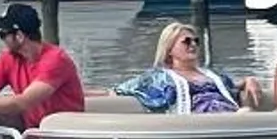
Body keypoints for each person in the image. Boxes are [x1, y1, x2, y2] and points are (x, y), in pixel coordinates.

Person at [0, 2, 85, 131]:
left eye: (3, 34)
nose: (2, 40)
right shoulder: (8, 58)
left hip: (64, 135)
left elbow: (23, 102)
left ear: (19, 36)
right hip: (32, 133)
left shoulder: (56, 60)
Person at [112, 22, 261, 114]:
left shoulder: (213, 75)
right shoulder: (158, 77)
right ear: (169, 49)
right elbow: (119, 90)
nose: (193, 44)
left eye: (196, 41)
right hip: (197, 122)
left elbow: (233, 86)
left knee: (246, 113)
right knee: (245, 114)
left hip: (230, 116)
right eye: (187, 41)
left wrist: (249, 80)